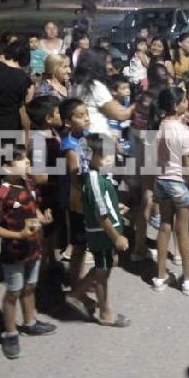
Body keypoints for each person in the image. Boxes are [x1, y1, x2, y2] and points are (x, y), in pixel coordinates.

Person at [0, 146, 56, 359]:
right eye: (21, 160)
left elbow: (33, 207)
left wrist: (41, 218)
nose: (27, 162)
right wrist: (18, 235)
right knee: (13, 292)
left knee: (30, 286)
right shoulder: (1, 194)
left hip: (34, 247)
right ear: (7, 168)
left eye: (27, 158)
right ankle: (10, 333)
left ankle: (30, 322)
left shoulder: (28, 183)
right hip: (14, 251)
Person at [66, 133, 132, 326]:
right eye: (104, 156)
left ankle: (76, 294)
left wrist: (117, 208)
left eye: (110, 154)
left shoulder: (103, 176)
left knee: (106, 266)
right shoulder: (94, 179)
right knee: (102, 272)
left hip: (108, 232)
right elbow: (101, 214)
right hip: (102, 234)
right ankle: (105, 313)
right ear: (91, 157)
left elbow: (106, 205)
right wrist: (117, 237)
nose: (109, 159)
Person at [151, 87, 189, 295]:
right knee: (183, 231)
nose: (186, 104)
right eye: (183, 101)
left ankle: (161, 276)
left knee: (164, 226)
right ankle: (188, 279)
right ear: (175, 105)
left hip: (161, 181)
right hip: (177, 182)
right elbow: (188, 164)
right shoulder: (183, 131)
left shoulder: (160, 126)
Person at [129, 64, 169, 262]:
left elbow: (135, 126)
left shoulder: (141, 96)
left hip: (144, 146)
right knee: (171, 200)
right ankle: (177, 254)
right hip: (161, 150)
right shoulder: (164, 98)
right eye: (165, 78)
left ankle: (138, 247)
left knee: (147, 197)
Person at [58, 98, 93, 297]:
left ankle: (81, 281)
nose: (86, 118)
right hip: (78, 200)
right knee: (79, 245)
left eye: (86, 114)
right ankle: (75, 284)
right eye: (80, 116)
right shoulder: (70, 145)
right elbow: (76, 176)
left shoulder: (86, 136)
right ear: (68, 122)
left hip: (86, 196)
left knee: (84, 244)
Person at [26, 96, 65, 272]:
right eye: (58, 112)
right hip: (46, 194)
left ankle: (50, 260)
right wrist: (62, 176)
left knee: (52, 229)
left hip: (54, 193)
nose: (61, 114)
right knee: (45, 230)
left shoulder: (52, 132)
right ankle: (41, 270)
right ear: (48, 118)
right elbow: (39, 177)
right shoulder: (40, 142)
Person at [70, 48, 135, 140]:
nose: (110, 66)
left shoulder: (76, 85)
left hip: (85, 137)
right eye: (107, 63)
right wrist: (138, 103)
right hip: (99, 139)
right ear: (97, 64)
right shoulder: (96, 87)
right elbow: (121, 115)